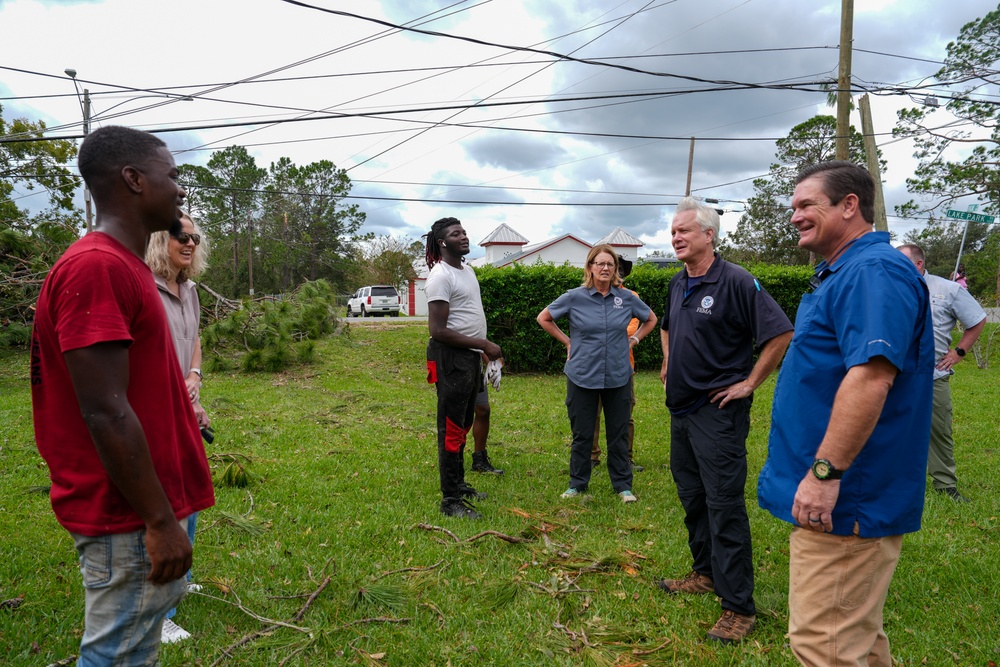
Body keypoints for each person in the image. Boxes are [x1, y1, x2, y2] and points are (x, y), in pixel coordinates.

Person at [30, 125, 215, 665]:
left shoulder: (125, 266)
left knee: (136, 650)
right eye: (172, 175)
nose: (181, 189)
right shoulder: (98, 267)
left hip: (141, 506)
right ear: (133, 179)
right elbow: (105, 410)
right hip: (127, 513)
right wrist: (159, 522)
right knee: (117, 656)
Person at [758, 161, 934, 666]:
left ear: (849, 206)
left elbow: (872, 377)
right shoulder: (846, 271)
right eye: (793, 207)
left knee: (825, 647)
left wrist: (824, 473)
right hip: (843, 498)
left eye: (806, 205)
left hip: (848, 500)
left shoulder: (872, 272)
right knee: (854, 639)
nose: (794, 217)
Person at [657, 197, 793, 644]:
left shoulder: (735, 280)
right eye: (673, 231)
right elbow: (670, 330)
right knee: (693, 498)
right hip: (681, 412)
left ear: (708, 236)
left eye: (684, 231)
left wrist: (751, 382)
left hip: (717, 415)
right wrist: (669, 363)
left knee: (723, 505)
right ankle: (705, 574)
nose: (676, 237)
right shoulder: (679, 283)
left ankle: (738, 606)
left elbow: (780, 332)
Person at [537, 244, 657, 503]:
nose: (605, 268)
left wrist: (634, 340)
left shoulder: (625, 298)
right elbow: (544, 318)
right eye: (600, 263)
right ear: (590, 267)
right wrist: (568, 342)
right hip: (582, 374)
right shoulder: (574, 297)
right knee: (582, 433)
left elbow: (651, 319)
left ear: (615, 270)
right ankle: (577, 484)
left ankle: (623, 487)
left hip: (618, 374)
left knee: (619, 432)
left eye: (610, 265)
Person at [145, 212, 212, 642]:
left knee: (188, 498)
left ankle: (179, 577)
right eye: (180, 236)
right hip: (155, 414)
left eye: (194, 237)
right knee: (165, 507)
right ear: (158, 239)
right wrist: (176, 388)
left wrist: (195, 380)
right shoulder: (143, 289)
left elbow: (194, 340)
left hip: (185, 408)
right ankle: (157, 612)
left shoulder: (188, 290)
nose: (189, 243)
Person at [424, 217, 502, 519]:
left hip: (468, 358)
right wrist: (483, 344)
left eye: (464, 231)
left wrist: (481, 352)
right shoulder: (440, 276)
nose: (464, 236)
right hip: (450, 358)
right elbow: (438, 330)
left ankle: (459, 484)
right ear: (443, 243)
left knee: (464, 424)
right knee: (451, 429)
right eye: (456, 234)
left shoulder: (466, 271)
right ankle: (450, 500)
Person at [899, 244, 986, 503]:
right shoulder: (889, 288)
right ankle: (894, 482)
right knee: (892, 429)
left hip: (932, 375)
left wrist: (958, 352)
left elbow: (977, 319)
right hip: (895, 375)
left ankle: (945, 485)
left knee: (939, 431)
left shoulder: (947, 289)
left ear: (918, 264)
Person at [591, 259, 642, 472]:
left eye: (618, 269)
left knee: (624, 415)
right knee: (591, 414)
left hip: (622, 366)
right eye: (612, 267)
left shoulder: (631, 297)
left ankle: (625, 458)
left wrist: (605, 331)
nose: (614, 272)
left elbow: (632, 328)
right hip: (593, 366)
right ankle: (591, 458)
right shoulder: (590, 296)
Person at [471, 361, 504, 475]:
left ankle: (479, 460)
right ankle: (454, 461)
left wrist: (493, 364)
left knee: (483, 409)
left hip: (474, 366)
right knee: (458, 414)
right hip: (454, 367)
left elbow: (480, 343)